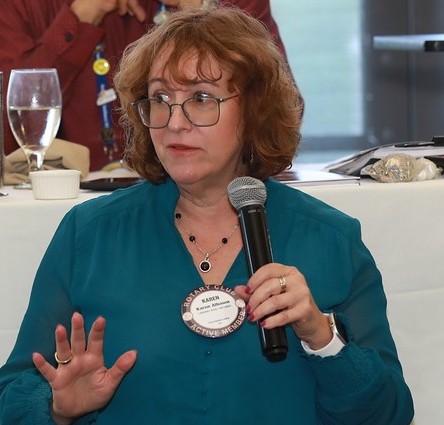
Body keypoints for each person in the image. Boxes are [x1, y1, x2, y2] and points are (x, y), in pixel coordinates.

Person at [0, 7, 414, 425]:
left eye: (200, 98)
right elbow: (10, 400)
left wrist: (323, 338)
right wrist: (56, 408)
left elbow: (388, 414)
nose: (175, 123)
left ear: (254, 109)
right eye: (160, 99)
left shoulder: (330, 238)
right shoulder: (89, 234)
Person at [0, 0, 288, 171]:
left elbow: (280, 116)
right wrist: (82, 16)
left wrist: (200, 13)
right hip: (68, 196)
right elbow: (10, 133)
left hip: (198, 193)